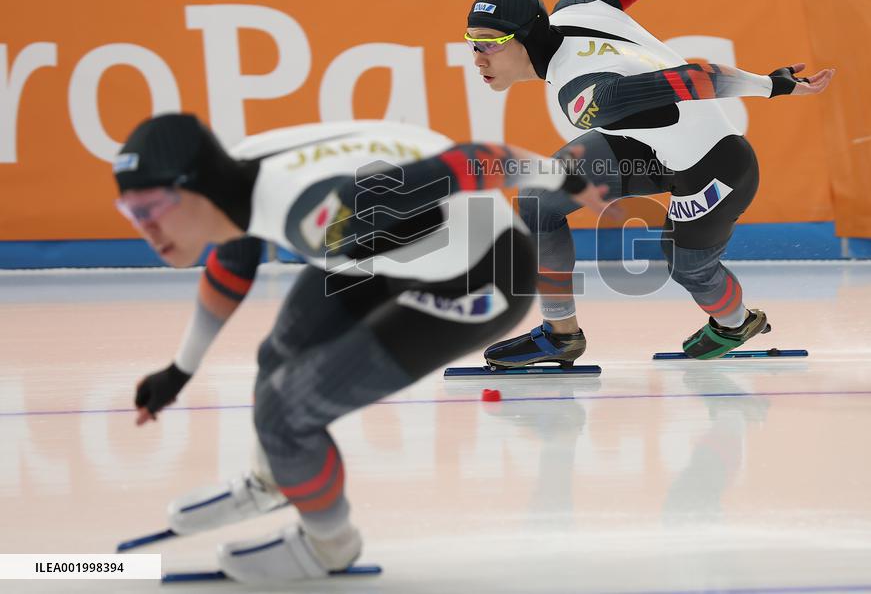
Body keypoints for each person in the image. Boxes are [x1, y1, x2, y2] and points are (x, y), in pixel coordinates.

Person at [113, 114, 612, 583]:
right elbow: (232, 266)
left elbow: (475, 159)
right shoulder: (238, 176)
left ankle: (330, 544)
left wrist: (563, 179)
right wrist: (180, 370)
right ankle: (275, 480)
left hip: (483, 274)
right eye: (131, 213)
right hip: (389, 244)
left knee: (286, 415)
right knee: (277, 357)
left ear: (196, 187)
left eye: (151, 210)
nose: (144, 230)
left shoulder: (315, 210)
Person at [463, 0, 834, 367]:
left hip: (714, 166)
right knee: (540, 200)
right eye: (472, 44)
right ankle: (561, 336)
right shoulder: (575, 6)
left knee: (687, 266)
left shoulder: (581, 95)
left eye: (490, 44)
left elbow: (692, 79)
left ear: (524, 38)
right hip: (650, 149)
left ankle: (737, 323)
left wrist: (772, 86)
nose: (478, 59)